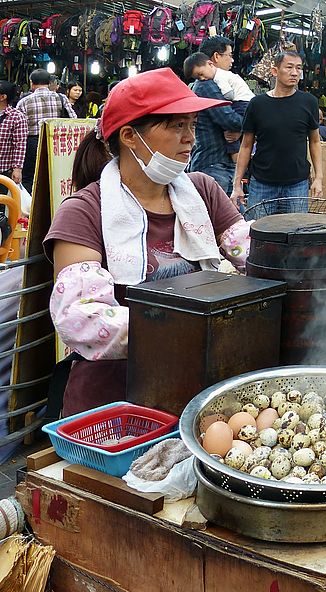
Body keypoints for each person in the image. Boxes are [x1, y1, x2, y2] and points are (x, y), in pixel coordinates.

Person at [42, 68, 252, 416]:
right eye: (176, 126)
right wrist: (191, 328)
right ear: (129, 135)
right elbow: (81, 317)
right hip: (112, 403)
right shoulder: (85, 211)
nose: (191, 139)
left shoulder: (202, 192)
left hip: (191, 392)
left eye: (192, 125)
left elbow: (249, 251)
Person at [231, 52, 322, 220]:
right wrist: (237, 185)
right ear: (274, 71)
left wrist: (318, 178)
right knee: (258, 234)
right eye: (289, 67)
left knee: (295, 235)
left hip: (297, 184)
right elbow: (245, 146)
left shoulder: (309, 102)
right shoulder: (257, 104)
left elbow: (315, 142)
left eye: (298, 68)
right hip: (261, 184)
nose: (295, 72)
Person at [184, 51, 255, 161]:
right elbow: (229, 120)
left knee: (233, 140)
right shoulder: (207, 85)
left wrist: (242, 130)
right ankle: (238, 164)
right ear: (216, 57)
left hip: (242, 102)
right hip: (214, 163)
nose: (232, 60)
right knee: (232, 141)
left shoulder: (219, 78)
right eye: (229, 55)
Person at [16, 69, 77, 193]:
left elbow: (19, 128)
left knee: (29, 177)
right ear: (49, 82)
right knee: (54, 175)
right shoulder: (61, 98)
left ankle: (30, 209)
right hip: (56, 141)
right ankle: (52, 207)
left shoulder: (24, 101)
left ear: (31, 83)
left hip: (32, 142)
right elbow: (73, 119)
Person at [0, 81, 26, 188]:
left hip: (4, 170)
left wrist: (17, 169)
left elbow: (20, 144)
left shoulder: (17, 116)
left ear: (3, 97)